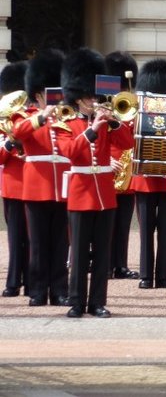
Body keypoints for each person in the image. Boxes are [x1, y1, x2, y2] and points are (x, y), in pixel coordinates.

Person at [53, 47, 135, 318]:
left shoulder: (107, 121)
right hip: (80, 193)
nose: (92, 101)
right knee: (78, 253)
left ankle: (97, 301)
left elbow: (126, 143)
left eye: (94, 96)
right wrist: (93, 128)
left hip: (104, 194)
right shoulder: (66, 125)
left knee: (102, 253)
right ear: (77, 99)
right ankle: (77, 301)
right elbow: (71, 152)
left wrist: (113, 123)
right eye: (87, 97)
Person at [11, 49, 70, 307]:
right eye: (52, 94)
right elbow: (18, 132)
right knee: (37, 243)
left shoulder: (66, 117)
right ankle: (37, 290)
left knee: (60, 242)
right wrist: (42, 117)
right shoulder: (26, 116)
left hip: (62, 187)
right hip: (36, 187)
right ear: (38, 95)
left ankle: (59, 290)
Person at [131, 58, 166, 290]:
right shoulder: (138, 110)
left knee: (165, 231)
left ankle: (163, 275)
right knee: (146, 230)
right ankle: (145, 274)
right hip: (145, 179)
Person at [104, 51, 140, 280]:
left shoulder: (130, 106)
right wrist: (106, 160)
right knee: (106, 224)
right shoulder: (102, 109)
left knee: (124, 223)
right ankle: (104, 263)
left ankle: (121, 264)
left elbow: (131, 139)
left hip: (126, 173)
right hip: (107, 169)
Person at [0, 61, 30, 298]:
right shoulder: (4, 119)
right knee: (15, 237)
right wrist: (11, 143)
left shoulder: (35, 118)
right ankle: (12, 282)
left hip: (34, 184)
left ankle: (32, 281)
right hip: (13, 186)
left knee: (33, 239)